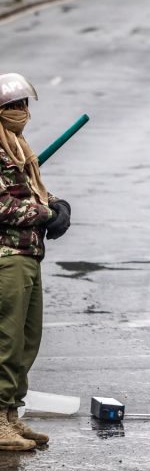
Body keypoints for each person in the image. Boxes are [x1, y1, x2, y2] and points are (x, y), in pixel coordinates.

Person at [0, 73, 72, 451]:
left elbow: (30, 192)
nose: (20, 112)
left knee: (27, 341)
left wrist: (58, 206)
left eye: (24, 105)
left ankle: (12, 413)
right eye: (12, 106)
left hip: (29, 254)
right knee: (6, 342)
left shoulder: (18, 148)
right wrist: (46, 214)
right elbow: (5, 206)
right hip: (7, 257)